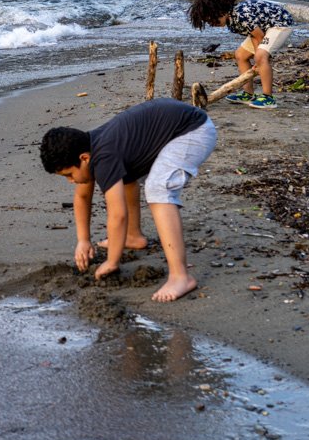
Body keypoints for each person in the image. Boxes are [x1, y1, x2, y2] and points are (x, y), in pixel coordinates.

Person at [40, 100, 217, 302]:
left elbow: (118, 215)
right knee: (124, 178)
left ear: (84, 158)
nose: (71, 181)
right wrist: (83, 240)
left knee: (158, 188)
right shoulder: (89, 147)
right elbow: (82, 196)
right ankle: (133, 236)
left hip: (194, 131)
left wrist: (112, 261)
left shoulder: (103, 156)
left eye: (69, 175)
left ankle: (180, 277)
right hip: (175, 128)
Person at [187, 0, 294, 110]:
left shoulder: (241, 15)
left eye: (212, 19)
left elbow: (259, 37)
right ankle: (248, 94)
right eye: (207, 22)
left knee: (260, 56)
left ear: (221, 10)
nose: (212, 24)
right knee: (240, 55)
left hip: (279, 24)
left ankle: (268, 98)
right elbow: (253, 34)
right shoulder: (232, 19)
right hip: (264, 28)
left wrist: (259, 60)